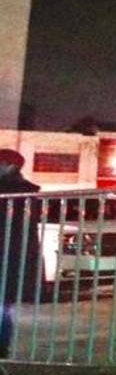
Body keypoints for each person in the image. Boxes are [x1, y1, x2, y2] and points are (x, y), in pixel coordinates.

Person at [0, 150, 43, 359]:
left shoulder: (17, 193)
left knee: (2, 308)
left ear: (10, 165)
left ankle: (1, 351)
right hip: (11, 258)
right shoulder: (25, 192)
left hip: (6, 257)